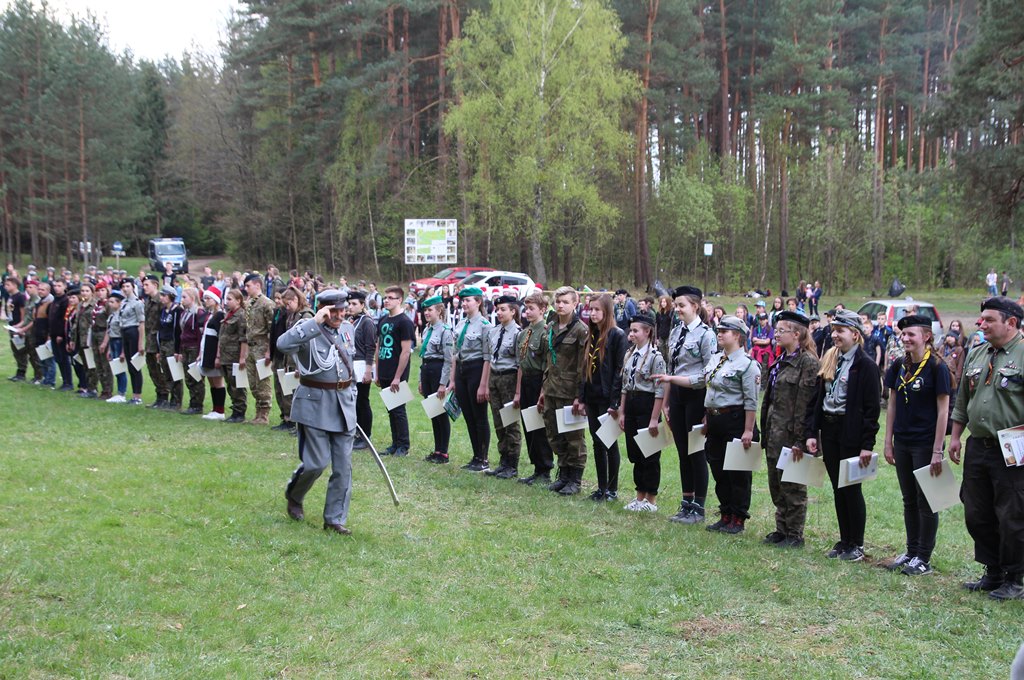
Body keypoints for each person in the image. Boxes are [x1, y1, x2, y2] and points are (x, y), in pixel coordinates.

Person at [950, 297, 1024, 600]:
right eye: (981, 319)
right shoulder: (978, 353)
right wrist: (955, 436)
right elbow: (963, 400)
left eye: (989, 320)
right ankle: (992, 571)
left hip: (1014, 447)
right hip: (978, 445)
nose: (981, 325)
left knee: (1012, 514)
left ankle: (1015, 577)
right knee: (976, 510)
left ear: (1011, 323)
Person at [279, 289, 360, 536]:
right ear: (323, 309)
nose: (338, 315)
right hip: (314, 403)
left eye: (342, 309)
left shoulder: (347, 329)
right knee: (316, 464)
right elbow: (283, 344)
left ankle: (334, 519)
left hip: (343, 404)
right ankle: (295, 494)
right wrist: (314, 323)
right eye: (332, 310)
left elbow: (349, 363)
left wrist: (352, 393)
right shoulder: (308, 328)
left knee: (343, 467)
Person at [804, 309, 882, 562]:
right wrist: (812, 432)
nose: (835, 335)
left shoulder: (866, 366)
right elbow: (818, 399)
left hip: (851, 433)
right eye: (834, 330)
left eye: (841, 331)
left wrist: (866, 445)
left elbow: (871, 411)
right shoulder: (830, 359)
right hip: (829, 429)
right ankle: (844, 538)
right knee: (838, 487)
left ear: (855, 334)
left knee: (851, 488)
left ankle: (856, 543)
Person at [881, 314, 951, 576]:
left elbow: (943, 411)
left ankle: (924, 557)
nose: (905, 338)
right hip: (903, 442)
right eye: (903, 334)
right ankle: (911, 551)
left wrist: (937, 449)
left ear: (927, 336)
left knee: (927, 501)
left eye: (911, 334)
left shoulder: (936, 367)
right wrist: (888, 441)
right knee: (909, 499)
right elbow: (892, 405)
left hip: (925, 443)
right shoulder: (899, 364)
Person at [653, 286, 717, 524]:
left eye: (681, 305)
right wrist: (667, 401)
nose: (677, 309)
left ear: (695, 307)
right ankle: (686, 502)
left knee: (696, 452)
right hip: (678, 395)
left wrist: (708, 410)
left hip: (697, 396)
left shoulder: (706, 335)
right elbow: (671, 369)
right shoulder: (676, 331)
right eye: (676, 305)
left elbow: (708, 375)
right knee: (682, 451)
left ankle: (698, 508)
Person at [760, 311, 820, 548]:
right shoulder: (781, 360)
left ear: (797, 334)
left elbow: (806, 405)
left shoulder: (808, 362)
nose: (776, 334)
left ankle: (795, 534)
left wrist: (800, 439)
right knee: (776, 483)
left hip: (792, 436)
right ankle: (781, 529)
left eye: (781, 330)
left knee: (792, 485)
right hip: (774, 432)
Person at [702, 315, 759, 534]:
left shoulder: (747, 365)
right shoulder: (717, 359)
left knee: (738, 473)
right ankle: (725, 513)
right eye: (719, 331)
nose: (719, 334)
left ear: (737, 336)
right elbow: (709, 388)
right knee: (718, 469)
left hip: (736, 420)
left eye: (724, 332)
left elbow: (751, 400)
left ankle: (738, 518)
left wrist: (748, 430)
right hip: (716, 419)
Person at [538, 287, 590, 495]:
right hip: (551, 388)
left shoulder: (581, 330)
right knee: (554, 433)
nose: (560, 305)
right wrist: (543, 389)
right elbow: (548, 361)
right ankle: (564, 474)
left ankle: (575, 479)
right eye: (558, 301)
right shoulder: (551, 327)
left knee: (573, 436)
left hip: (570, 391)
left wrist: (580, 395)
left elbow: (583, 365)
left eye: (565, 302)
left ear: (575, 304)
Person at [612, 315, 666, 512]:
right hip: (632, 404)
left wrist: (654, 418)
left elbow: (660, 389)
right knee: (635, 453)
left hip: (647, 404)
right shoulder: (629, 354)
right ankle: (639, 496)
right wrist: (623, 412)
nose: (631, 334)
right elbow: (625, 386)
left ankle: (650, 500)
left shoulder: (655, 357)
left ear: (647, 332)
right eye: (630, 330)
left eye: (635, 331)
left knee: (649, 453)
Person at [579, 293, 626, 500]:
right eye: (591, 309)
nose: (593, 313)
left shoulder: (616, 335)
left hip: (608, 398)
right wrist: (581, 397)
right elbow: (584, 368)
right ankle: (601, 487)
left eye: (598, 310)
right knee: (597, 442)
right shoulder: (591, 334)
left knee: (609, 442)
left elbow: (619, 370)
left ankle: (612, 489)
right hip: (592, 396)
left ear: (607, 312)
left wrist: (615, 401)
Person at [447, 286, 492, 470]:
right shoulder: (460, 324)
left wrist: (483, 384)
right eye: (462, 300)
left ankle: (483, 458)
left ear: (478, 302)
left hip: (477, 369)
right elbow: (455, 354)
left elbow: (488, 357)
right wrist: (452, 380)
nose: (464, 303)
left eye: (468, 300)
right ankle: (475, 455)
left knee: (479, 415)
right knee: (468, 415)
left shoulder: (485, 326)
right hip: (462, 370)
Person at [514, 293, 555, 485]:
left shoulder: (546, 334)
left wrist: (543, 391)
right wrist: (518, 391)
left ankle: (545, 468)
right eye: (526, 308)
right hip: (526, 381)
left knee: (539, 426)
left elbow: (548, 365)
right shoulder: (523, 333)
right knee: (528, 424)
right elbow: (521, 364)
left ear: (543, 310)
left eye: (532, 308)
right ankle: (536, 467)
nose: (527, 312)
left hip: (539, 381)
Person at [482, 294, 523, 478]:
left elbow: (520, 363)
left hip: (509, 378)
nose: (498, 312)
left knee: (510, 423)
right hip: (495, 378)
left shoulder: (518, 333)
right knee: (498, 422)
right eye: (497, 309)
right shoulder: (493, 331)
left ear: (513, 312)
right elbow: (490, 358)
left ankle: (512, 465)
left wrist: (517, 391)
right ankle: (503, 461)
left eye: (503, 309)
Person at [375, 285, 415, 457]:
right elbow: (378, 346)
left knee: (398, 410)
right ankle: (394, 443)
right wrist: (377, 372)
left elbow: (406, 351)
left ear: (400, 300)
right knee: (390, 409)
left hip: (397, 373)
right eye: (386, 297)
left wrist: (397, 377)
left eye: (391, 298)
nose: (387, 300)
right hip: (384, 370)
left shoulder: (405, 322)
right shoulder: (383, 319)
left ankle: (403, 446)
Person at [418, 295, 454, 463]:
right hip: (427, 370)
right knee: (433, 412)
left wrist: (443, 383)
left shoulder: (445, 331)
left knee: (440, 412)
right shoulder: (426, 330)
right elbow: (423, 355)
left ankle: (444, 452)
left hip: (438, 370)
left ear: (439, 311)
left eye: (430, 310)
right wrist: (420, 379)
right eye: (425, 310)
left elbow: (448, 359)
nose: (426, 313)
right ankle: (437, 450)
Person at [344, 290, 376, 449]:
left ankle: (365, 436)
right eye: (349, 304)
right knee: (352, 402)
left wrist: (369, 370)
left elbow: (371, 347)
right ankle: (356, 432)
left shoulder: (367, 322)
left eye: (354, 304)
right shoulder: (350, 320)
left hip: (362, 365)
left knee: (362, 401)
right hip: (350, 366)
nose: (350, 306)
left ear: (362, 305)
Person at [243, 273, 276, 425]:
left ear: (257, 285)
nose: (246, 288)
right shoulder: (249, 303)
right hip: (251, 347)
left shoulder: (267, 304)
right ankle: (258, 413)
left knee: (263, 382)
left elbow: (272, 329)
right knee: (253, 383)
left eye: (248, 285)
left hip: (262, 347)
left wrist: (269, 351)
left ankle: (264, 414)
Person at [217, 288, 248, 423]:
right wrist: (218, 355)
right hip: (225, 355)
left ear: (238, 300)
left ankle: (239, 412)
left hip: (234, 355)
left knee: (237, 385)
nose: (227, 302)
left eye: (230, 299)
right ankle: (235, 410)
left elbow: (243, 338)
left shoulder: (241, 315)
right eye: (226, 299)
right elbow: (222, 336)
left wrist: (242, 357)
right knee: (230, 384)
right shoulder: (228, 314)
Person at [177, 288, 208, 415]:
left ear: (193, 298)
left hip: (194, 347)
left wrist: (200, 353)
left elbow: (201, 335)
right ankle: (192, 401)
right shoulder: (185, 313)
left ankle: (197, 404)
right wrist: (179, 350)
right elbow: (182, 332)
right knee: (188, 377)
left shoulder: (199, 313)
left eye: (184, 297)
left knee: (196, 376)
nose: (182, 300)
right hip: (185, 347)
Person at [199, 286, 227, 420]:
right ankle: (215, 408)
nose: (206, 301)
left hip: (214, 350)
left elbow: (221, 336)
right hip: (206, 350)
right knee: (211, 381)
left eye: (208, 298)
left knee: (217, 381)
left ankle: (220, 410)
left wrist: (218, 355)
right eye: (205, 298)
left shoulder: (220, 315)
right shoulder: (209, 315)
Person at [142, 275, 170, 408]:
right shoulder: (148, 300)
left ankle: (164, 396)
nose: (144, 287)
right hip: (149, 340)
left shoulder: (160, 300)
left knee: (160, 369)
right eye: (143, 285)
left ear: (155, 285)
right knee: (152, 368)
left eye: (147, 284)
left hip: (157, 340)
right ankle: (159, 395)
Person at [118, 278, 146, 404]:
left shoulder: (137, 303)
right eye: (123, 286)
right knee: (130, 365)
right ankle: (134, 394)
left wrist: (140, 343)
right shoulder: (123, 302)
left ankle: (137, 395)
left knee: (136, 365)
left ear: (133, 287)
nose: (125, 288)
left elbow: (141, 322)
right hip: (124, 332)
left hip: (133, 331)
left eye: (127, 286)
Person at [156, 285, 183, 410]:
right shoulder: (163, 310)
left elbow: (178, 331)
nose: (161, 298)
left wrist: (177, 350)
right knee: (166, 371)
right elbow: (160, 329)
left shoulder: (177, 310)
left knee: (174, 372)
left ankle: (176, 401)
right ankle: (171, 398)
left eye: (164, 295)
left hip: (172, 344)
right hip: (163, 344)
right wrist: (158, 349)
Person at [103, 290, 128, 402]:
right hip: (113, 341)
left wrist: (123, 351)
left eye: (113, 302)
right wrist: (108, 348)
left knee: (120, 368)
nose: (110, 304)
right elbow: (109, 331)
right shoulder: (112, 315)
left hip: (119, 341)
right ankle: (119, 392)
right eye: (109, 302)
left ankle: (121, 393)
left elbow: (123, 334)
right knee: (116, 368)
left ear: (119, 303)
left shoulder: (122, 315)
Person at [90, 282, 113, 400]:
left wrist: (105, 342)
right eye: (98, 290)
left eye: (102, 290)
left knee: (105, 364)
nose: (100, 293)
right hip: (94, 333)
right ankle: (103, 388)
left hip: (104, 333)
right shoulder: (96, 304)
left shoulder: (108, 304)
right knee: (97, 362)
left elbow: (111, 324)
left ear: (107, 291)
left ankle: (108, 390)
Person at [4, 276, 29, 381]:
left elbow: (23, 313)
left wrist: (21, 327)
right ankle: (18, 371)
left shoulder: (20, 297)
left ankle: (22, 373)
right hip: (11, 325)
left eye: (8, 285)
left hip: (18, 327)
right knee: (15, 349)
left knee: (20, 350)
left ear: (15, 285)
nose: (5, 287)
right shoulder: (11, 297)